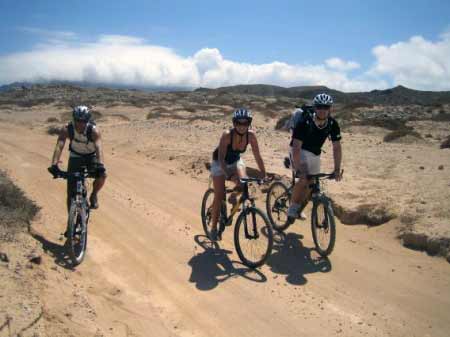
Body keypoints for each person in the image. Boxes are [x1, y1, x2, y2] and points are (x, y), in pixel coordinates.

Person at [209, 108, 266, 241]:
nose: (242, 126)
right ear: (234, 124)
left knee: (243, 182)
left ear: (249, 123)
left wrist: (264, 174)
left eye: (245, 123)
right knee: (219, 195)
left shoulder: (251, 136)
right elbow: (222, 158)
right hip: (219, 163)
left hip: (235, 161)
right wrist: (228, 174)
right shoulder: (227, 135)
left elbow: (257, 156)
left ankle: (233, 197)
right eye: (239, 123)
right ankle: (213, 229)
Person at [287, 93, 342, 222]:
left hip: (315, 153)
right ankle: (292, 207)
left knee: (312, 184)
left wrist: (337, 169)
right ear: (315, 107)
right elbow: (296, 147)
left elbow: (337, 147)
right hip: (299, 150)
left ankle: (300, 205)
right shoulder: (304, 122)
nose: (322, 110)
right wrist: (298, 168)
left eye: (326, 107)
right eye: (319, 107)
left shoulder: (333, 124)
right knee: (304, 178)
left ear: (330, 109)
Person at [48, 105, 107, 210]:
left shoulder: (94, 131)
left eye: (83, 121)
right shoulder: (67, 129)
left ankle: (93, 195)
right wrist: (54, 164)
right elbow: (59, 145)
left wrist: (100, 165)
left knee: (102, 176)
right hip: (76, 155)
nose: (80, 123)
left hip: (91, 156)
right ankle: (70, 223)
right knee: (70, 192)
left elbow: (99, 148)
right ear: (73, 119)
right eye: (78, 120)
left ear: (87, 120)